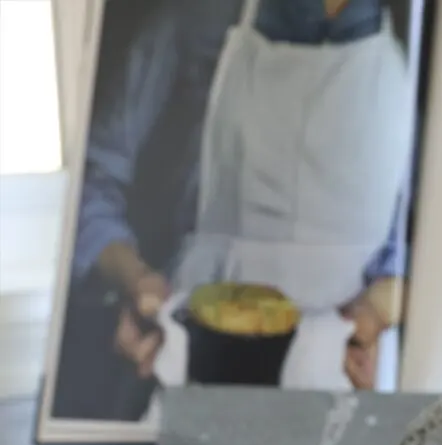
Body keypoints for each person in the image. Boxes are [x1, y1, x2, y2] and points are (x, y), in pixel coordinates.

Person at [71, 0, 413, 410]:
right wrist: (134, 278)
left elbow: (432, 235)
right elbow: (87, 186)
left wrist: (380, 308)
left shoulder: (429, 41)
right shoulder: (197, 21)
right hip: (200, 355)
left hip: (347, 374)